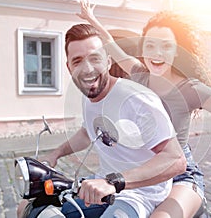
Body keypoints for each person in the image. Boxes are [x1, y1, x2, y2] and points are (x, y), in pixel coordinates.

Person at [77, 1, 211, 218]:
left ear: (178, 50)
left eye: (166, 45)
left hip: (181, 177)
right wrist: (92, 19)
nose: (156, 53)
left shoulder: (192, 90)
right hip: (144, 174)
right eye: (150, 45)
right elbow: (111, 43)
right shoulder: (139, 74)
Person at [17, 23, 187, 218]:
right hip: (102, 186)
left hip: (141, 193)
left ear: (107, 62)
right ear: (69, 67)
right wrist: (55, 154)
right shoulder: (88, 95)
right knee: (31, 210)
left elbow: (176, 159)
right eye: (78, 61)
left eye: (94, 58)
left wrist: (114, 182)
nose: (87, 69)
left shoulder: (136, 99)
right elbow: (87, 132)